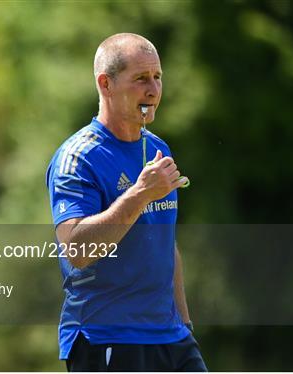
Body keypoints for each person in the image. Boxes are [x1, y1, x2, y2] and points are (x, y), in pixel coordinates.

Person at [46, 33, 207, 371]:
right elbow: (77, 249)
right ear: (106, 84)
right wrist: (139, 194)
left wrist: (185, 326)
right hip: (108, 338)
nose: (153, 90)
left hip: (171, 338)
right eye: (140, 79)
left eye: (157, 77)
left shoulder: (158, 148)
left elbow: (165, 244)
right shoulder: (78, 158)